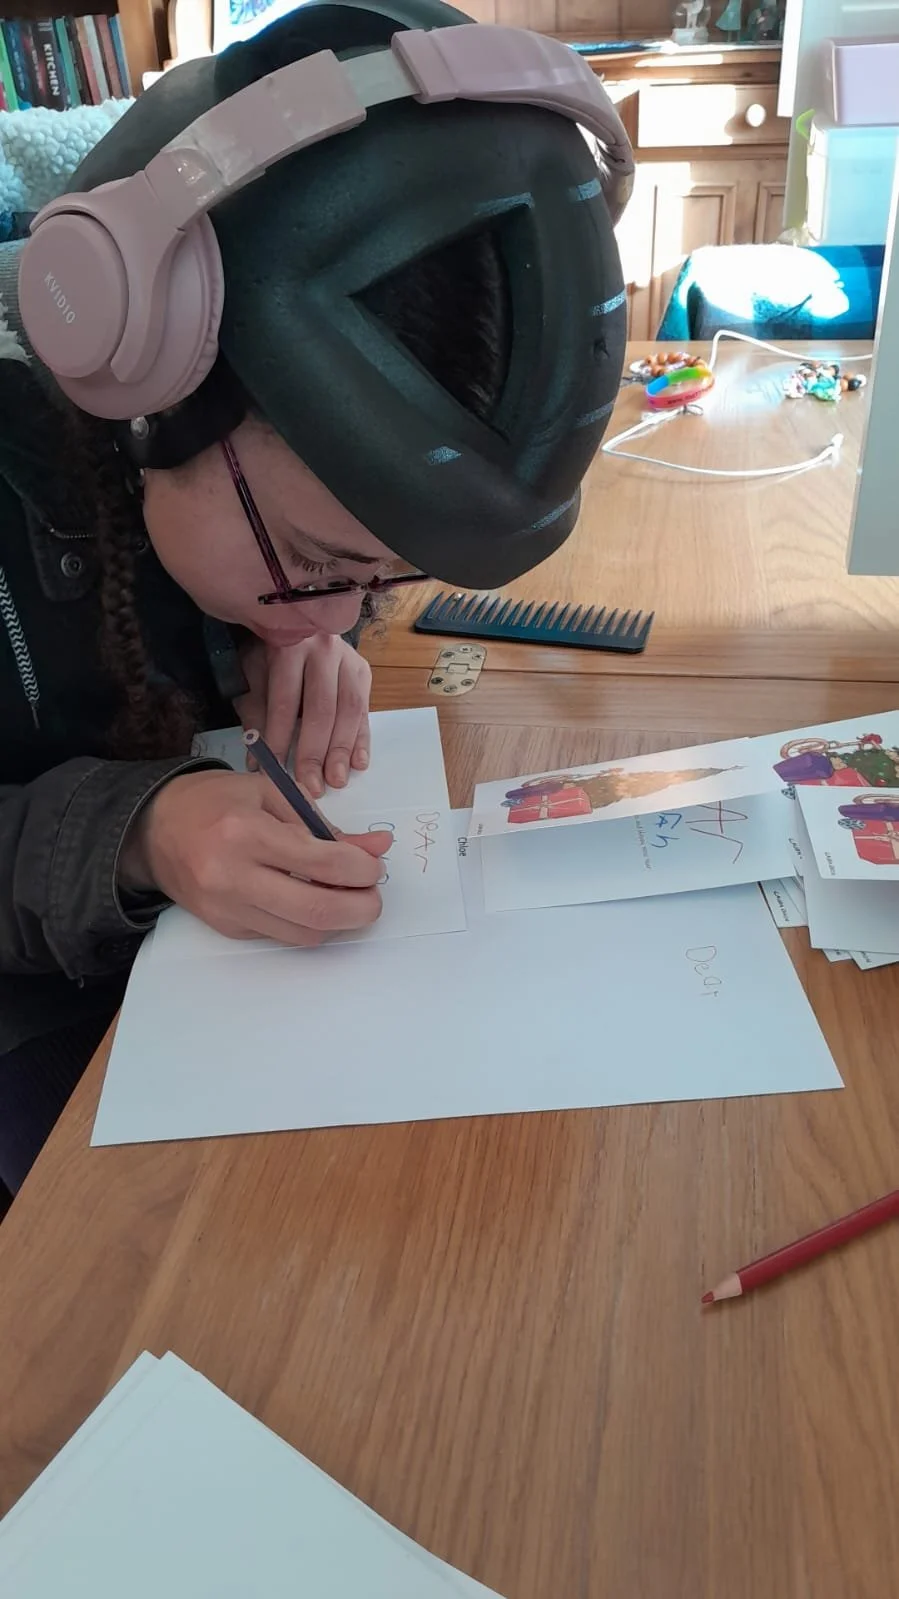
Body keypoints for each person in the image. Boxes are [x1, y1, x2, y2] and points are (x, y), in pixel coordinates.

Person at [0, 0, 631, 1192]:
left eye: (383, 578)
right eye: (315, 557)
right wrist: (137, 831)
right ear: (146, 379)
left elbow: (279, 567)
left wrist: (270, 622)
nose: (342, 614)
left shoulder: (250, 523)